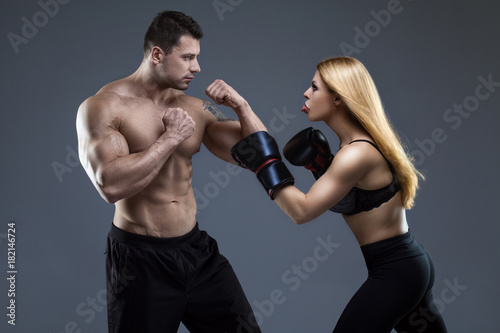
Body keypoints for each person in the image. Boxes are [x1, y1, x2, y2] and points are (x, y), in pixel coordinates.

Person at [76, 10, 269, 333]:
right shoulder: (104, 106)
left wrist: (242, 107)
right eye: (188, 57)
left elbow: (260, 158)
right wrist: (171, 139)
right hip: (140, 260)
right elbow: (109, 185)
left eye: (197, 58)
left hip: (197, 254)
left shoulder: (195, 108)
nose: (197, 67)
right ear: (157, 54)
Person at [229, 56, 448, 332]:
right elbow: (347, 201)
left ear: (338, 98)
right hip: (408, 266)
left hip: (397, 271)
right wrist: (320, 166)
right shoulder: (355, 146)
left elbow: (301, 211)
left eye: (315, 87)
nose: (306, 93)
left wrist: (265, 163)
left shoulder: (355, 154)